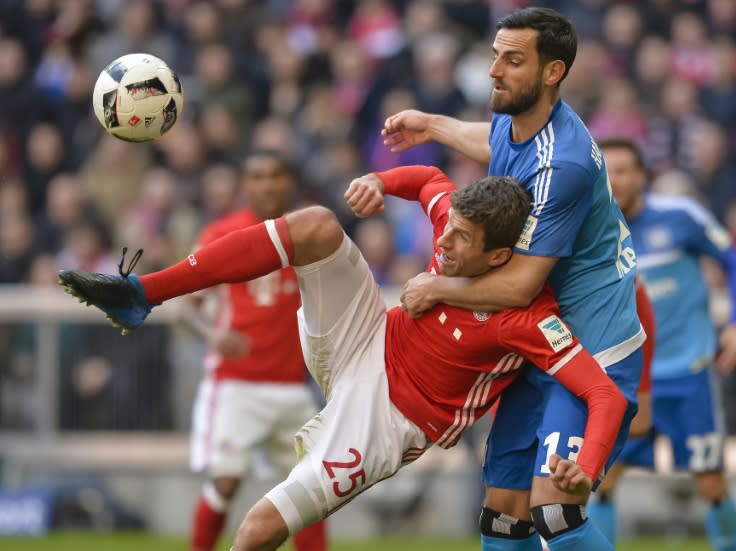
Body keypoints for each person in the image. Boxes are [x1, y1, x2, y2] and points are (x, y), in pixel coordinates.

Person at [59, 165, 629, 551]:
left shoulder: (529, 316)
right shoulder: (455, 226)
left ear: (501, 254)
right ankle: (143, 294)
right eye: (446, 228)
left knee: (258, 528)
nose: (444, 243)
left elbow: (602, 391)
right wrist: (378, 180)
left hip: (391, 419)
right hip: (367, 337)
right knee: (318, 224)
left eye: (460, 240)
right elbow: (429, 179)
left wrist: (591, 460)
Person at [380, 7, 644, 551]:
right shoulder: (519, 118)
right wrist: (432, 126)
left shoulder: (561, 164)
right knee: (503, 516)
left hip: (590, 342)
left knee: (556, 514)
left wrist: (437, 287)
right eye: (496, 54)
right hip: (535, 340)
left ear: (553, 72)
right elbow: (494, 140)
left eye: (513, 59)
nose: (494, 70)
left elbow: (519, 285)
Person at [587, 137, 736, 551]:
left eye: (623, 170)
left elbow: (734, 260)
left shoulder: (681, 217)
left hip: (688, 373)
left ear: (642, 175)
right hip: (629, 377)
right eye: (608, 170)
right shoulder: (594, 231)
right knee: (606, 477)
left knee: (711, 482)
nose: (615, 179)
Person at [179, 151, 327, 551]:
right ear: (245, 185)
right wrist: (212, 336)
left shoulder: (310, 234)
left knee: (311, 491)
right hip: (236, 384)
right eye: (258, 176)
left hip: (292, 385)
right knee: (226, 481)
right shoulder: (221, 234)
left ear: (289, 183)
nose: (267, 184)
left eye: (276, 175)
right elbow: (185, 310)